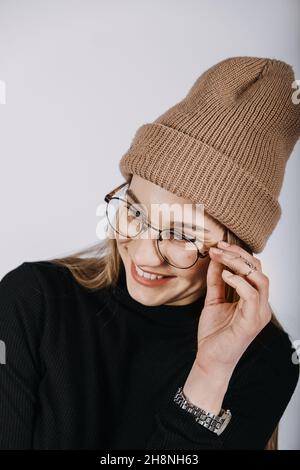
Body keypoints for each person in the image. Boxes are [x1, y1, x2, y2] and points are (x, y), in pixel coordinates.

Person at [0, 56, 299, 450]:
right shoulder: (30, 301)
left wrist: (210, 374)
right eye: (135, 212)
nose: (144, 253)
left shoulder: (264, 361)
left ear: (234, 252)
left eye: (180, 235)